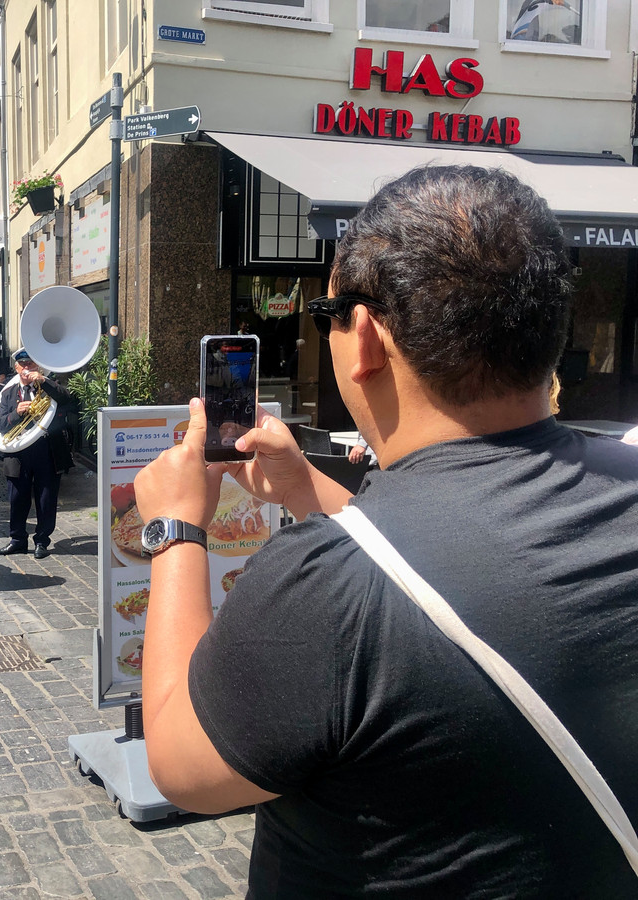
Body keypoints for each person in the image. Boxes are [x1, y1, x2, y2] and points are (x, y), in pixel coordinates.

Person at [133, 166, 638, 895]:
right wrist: (311, 493)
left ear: (364, 335)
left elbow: (185, 768)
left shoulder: (324, 585)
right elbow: (453, 570)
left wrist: (175, 529)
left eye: (327, 312)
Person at [0, 348, 74, 559]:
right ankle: (17, 540)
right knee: (17, 498)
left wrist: (44, 381)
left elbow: (67, 399)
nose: (27, 368)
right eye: (23, 365)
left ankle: (42, 540)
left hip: (47, 450)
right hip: (19, 452)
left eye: (32, 364)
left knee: (46, 498)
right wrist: (16, 413)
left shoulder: (48, 387)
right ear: (16, 368)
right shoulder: (9, 393)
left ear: (38, 367)